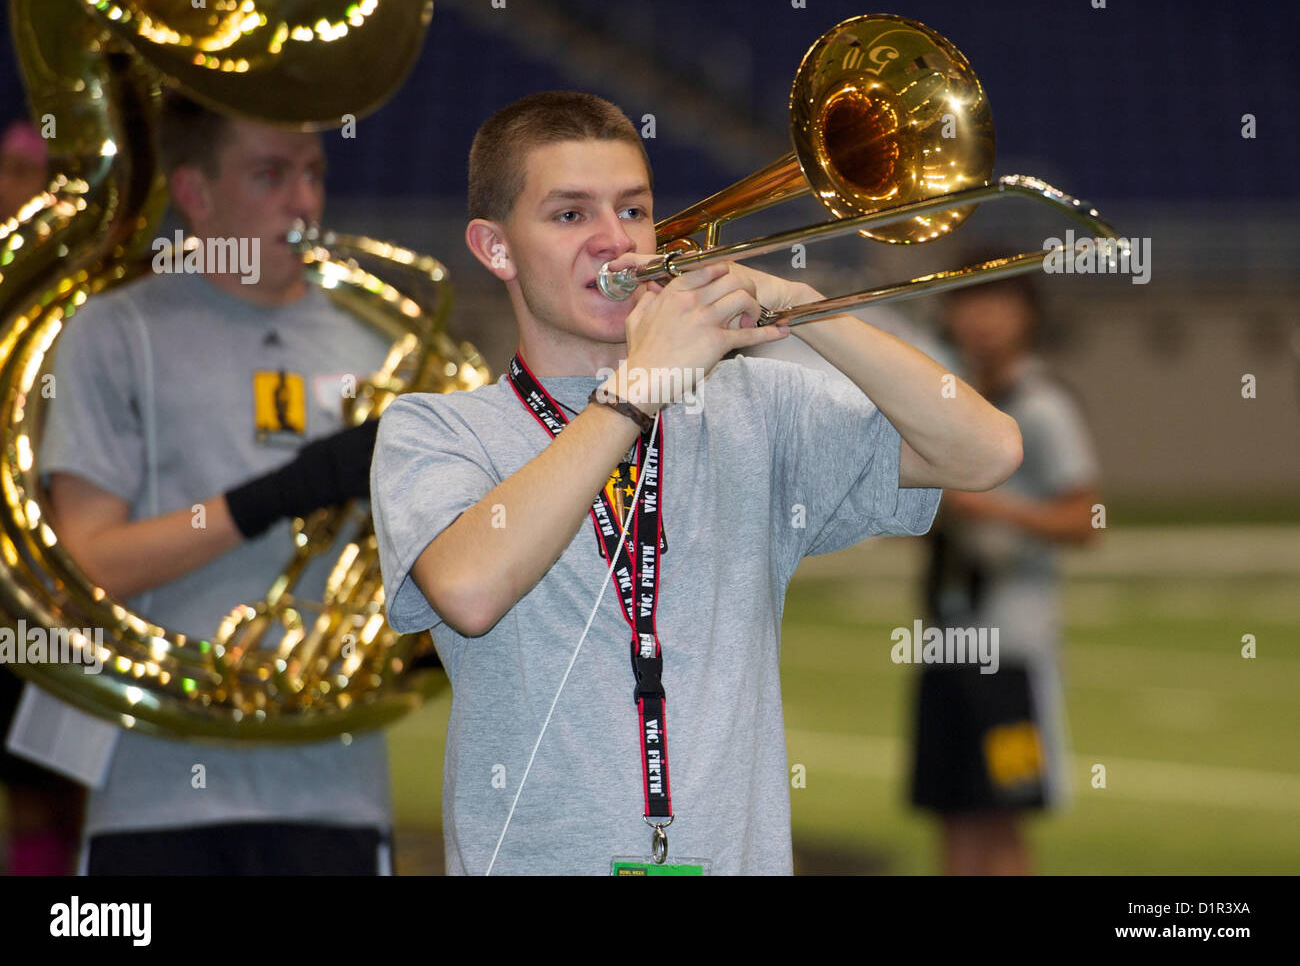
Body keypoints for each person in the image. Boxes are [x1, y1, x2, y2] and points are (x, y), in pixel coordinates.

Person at [370, 91, 1022, 875]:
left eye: (634, 210)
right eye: (570, 215)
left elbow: (985, 453)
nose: (615, 241)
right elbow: (470, 590)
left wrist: (814, 310)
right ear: (495, 247)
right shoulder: (436, 430)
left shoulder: (751, 409)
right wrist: (639, 389)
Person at [32, 93, 395, 875]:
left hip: (333, 794)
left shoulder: (378, 345)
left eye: (312, 173)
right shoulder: (116, 331)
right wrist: (273, 497)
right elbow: (88, 563)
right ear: (194, 193)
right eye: (270, 174)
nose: (303, 200)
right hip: (157, 796)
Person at [909, 275, 1100, 876]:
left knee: (1004, 813)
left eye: (998, 302)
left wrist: (990, 507)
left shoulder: (1042, 405)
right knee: (951, 811)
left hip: (1012, 650)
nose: (982, 318)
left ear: (1028, 316)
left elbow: (1088, 518)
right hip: (945, 639)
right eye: (968, 302)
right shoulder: (951, 399)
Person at [0, 118, 87, 876]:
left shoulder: (88, 304)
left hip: (64, 579)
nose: (9, 188)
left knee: (64, 783)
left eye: (27, 172)